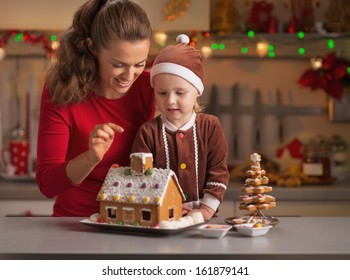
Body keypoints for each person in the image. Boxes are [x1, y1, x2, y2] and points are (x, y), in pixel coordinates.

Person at [36, 0, 155, 217]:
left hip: (135, 223)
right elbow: (47, 184)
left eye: (139, 64)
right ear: (92, 48)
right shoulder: (62, 91)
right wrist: (90, 157)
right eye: (118, 64)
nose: (129, 77)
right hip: (74, 224)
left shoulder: (151, 88)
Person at [131, 34, 229, 221]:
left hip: (202, 216)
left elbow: (218, 172)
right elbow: (140, 179)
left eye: (180, 92)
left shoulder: (210, 127)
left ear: (196, 92)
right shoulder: (147, 133)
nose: (170, 100)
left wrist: (206, 210)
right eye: (162, 93)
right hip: (159, 216)